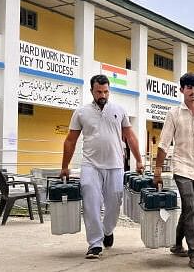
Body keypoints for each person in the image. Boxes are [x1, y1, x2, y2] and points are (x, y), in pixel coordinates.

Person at [60, 74, 144, 259]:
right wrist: (64, 166)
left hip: (115, 165)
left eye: (106, 91)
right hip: (90, 165)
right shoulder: (81, 112)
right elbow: (70, 141)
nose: (103, 95)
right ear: (92, 91)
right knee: (91, 202)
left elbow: (130, 137)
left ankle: (107, 230)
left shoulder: (119, 110)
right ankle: (95, 244)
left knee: (114, 202)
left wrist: (138, 160)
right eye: (99, 91)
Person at [152, 72, 194, 269]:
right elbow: (164, 144)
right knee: (190, 207)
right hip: (182, 168)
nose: (193, 91)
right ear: (181, 90)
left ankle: (176, 244)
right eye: (189, 88)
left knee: (190, 209)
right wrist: (157, 172)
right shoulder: (173, 114)